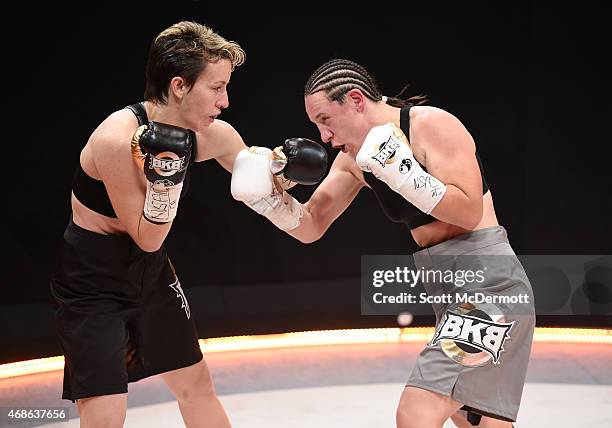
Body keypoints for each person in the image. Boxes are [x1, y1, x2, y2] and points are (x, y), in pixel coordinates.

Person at [49, 21, 327, 428]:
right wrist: (167, 181)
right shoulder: (115, 139)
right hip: (91, 279)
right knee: (107, 414)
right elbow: (146, 236)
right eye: (216, 88)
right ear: (179, 86)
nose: (226, 100)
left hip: (150, 271)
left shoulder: (212, 134)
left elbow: (254, 176)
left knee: (196, 386)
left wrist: (284, 169)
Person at [231, 58, 535, 428]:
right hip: (448, 293)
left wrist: (403, 172)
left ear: (356, 100)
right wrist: (268, 202)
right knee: (477, 423)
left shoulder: (431, 125)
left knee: (416, 411)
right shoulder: (354, 161)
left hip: (491, 286)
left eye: (325, 120)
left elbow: (469, 212)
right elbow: (311, 225)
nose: (323, 137)